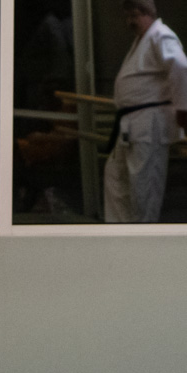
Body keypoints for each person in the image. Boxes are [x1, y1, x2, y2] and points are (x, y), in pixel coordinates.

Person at [104, 0, 187, 222]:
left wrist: (183, 108)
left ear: (148, 13)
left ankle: (143, 236)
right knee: (115, 178)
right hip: (131, 123)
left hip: (149, 123)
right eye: (128, 16)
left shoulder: (161, 35)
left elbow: (180, 66)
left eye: (135, 15)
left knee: (145, 188)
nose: (130, 21)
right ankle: (121, 233)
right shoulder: (143, 40)